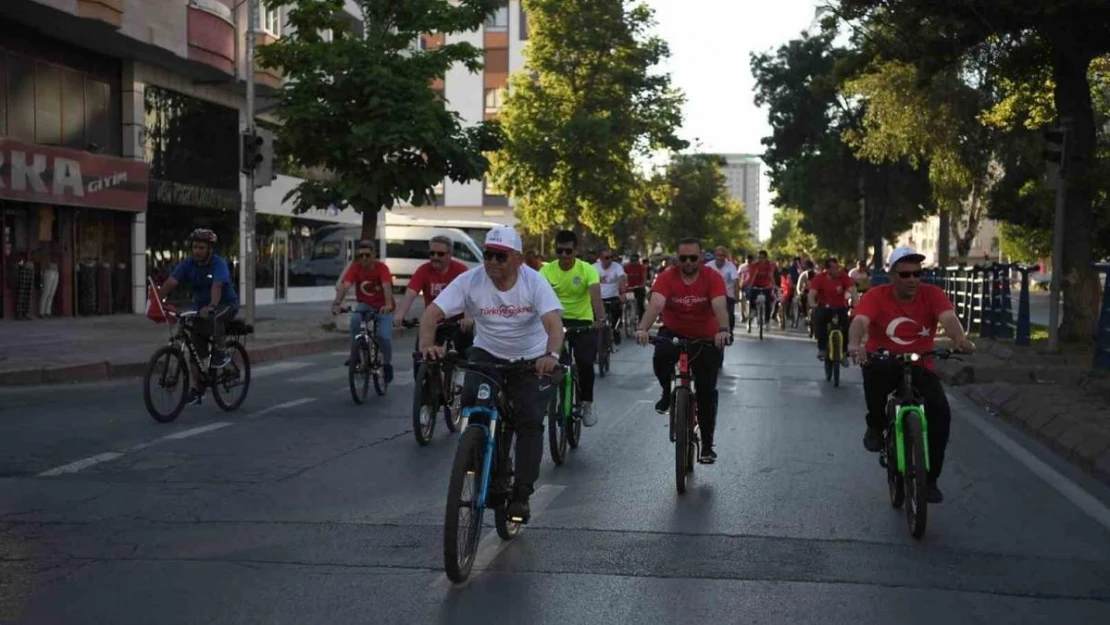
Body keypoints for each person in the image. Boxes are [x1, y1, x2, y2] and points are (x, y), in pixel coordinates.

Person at [419, 225, 564, 523]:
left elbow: (553, 324)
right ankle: (475, 455)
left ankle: (522, 494)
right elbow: (432, 313)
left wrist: (551, 356)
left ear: (518, 259)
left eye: (500, 256)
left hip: (531, 359)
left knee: (529, 421)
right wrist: (427, 345)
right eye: (487, 255)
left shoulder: (534, 283)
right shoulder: (470, 281)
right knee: (473, 402)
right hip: (487, 352)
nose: (492, 263)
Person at [848, 247, 975, 503]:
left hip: (920, 364)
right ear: (892, 275)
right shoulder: (876, 295)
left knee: (940, 412)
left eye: (917, 274)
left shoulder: (933, 294)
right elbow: (860, 321)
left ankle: (930, 481)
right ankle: (875, 426)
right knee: (873, 381)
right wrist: (854, 345)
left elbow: (948, 318)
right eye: (905, 275)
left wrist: (959, 339)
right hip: (883, 360)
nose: (913, 280)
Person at [634, 237, 731, 463]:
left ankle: (707, 445)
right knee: (660, 357)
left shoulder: (712, 278)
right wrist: (642, 328)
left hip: (707, 337)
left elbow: (719, 305)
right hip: (674, 332)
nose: (688, 262)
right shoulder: (667, 276)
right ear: (678, 258)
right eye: (683, 258)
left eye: (693, 258)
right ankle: (667, 392)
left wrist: (723, 329)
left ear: (701, 258)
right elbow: (656, 304)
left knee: (707, 393)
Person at [156, 228, 239, 390]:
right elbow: (172, 282)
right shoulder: (188, 264)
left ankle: (221, 352)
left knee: (214, 317)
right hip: (200, 308)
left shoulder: (218, 263)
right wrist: (155, 301)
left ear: (210, 249)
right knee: (195, 349)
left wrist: (212, 306)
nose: (197, 251)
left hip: (225, 304)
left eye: (201, 247)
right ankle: (199, 387)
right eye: (195, 247)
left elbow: (217, 285)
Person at [540, 231, 605, 426]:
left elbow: (596, 298)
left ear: (575, 251)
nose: (564, 255)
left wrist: (599, 319)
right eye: (560, 251)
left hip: (583, 322)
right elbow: (538, 298)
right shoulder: (546, 271)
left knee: (585, 362)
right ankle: (547, 398)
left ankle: (587, 403)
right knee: (549, 361)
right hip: (556, 321)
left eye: (568, 251)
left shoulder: (587, 270)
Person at [396, 235, 473, 379]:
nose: (435, 257)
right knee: (422, 355)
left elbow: (468, 297)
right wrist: (401, 314)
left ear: (450, 255)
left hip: (457, 322)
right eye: (431, 253)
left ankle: (465, 386)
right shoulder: (424, 270)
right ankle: (425, 388)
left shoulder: (461, 270)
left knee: (468, 355)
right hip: (433, 321)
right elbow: (411, 293)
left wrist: (467, 318)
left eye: (440, 254)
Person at [331, 240, 395, 383]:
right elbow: (345, 286)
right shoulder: (356, 268)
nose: (364, 259)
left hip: (383, 307)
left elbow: (386, 286)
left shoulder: (381, 268)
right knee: (354, 321)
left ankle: (387, 364)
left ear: (374, 255)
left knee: (383, 336)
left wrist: (388, 304)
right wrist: (337, 303)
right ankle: (356, 356)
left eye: (367, 255)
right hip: (365, 305)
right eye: (361, 256)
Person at [808, 257, 858, 361]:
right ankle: (822, 348)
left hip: (840, 306)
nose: (837, 270)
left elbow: (852, 290)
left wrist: (855, 303)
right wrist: (813, 304)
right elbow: (812, 293)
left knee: (847, 325)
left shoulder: (843, 277)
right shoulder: (819, 278)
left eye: (837, 267)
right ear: (827, 269)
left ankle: (844, 351)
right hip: (824, 307)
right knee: (819, 321)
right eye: (834, 268)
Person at [593, 247, 627, 347]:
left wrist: (622, 293)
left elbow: (621, 280)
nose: (609, 260)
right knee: (595, 317)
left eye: (611, 257)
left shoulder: (617, 267)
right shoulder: (593, 268)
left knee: (617, 311)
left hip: (613, 296)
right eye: (606, 257)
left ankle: (616, 330)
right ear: (600, 258)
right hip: (599, 298)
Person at [705, 246, 740, 337]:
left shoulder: (730, 266)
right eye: (718, 255)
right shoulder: (708, 266)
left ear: (725, 256)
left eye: (722, 255)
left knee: (730, 316)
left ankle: (730, 333)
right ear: (714, 255)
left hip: (727, 295)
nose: (720, 258)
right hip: (712, 296)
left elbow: (735, 280)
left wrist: (736, 294)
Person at [747, 250, 775, 327]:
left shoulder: (769, 265)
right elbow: (752, 277)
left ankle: (767, 321)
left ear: (766, 258)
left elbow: (770, 275)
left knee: (768, 303)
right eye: (759, 257)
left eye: (762, 258)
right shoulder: (755, 265)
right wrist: (750, 286)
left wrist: (774, 285)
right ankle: (752, 312)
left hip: (766, 286)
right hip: (755, 285)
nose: (760, 259)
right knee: (752, 298)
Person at [624, 253, 649, 322]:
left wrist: (642, 285)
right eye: (632, 260)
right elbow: (624, 276)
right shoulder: (627, 267)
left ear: (638, 260)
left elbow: (644, 278)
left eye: (635, 260)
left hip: (639, 288)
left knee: (640, 304)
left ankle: (641, 320)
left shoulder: (642, 268)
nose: (633, 262)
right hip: (630, 288)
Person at [737, 254, 754, 322]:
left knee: (751, 300)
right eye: (747, 260)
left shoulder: (754, 267)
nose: (748, 262)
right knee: (741, 299)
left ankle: (751, 313)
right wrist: (738, 285)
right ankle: (742, 314)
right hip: (743, 285)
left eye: (750, 261)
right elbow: (738, 276)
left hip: (751, 286)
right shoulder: (742, 267)